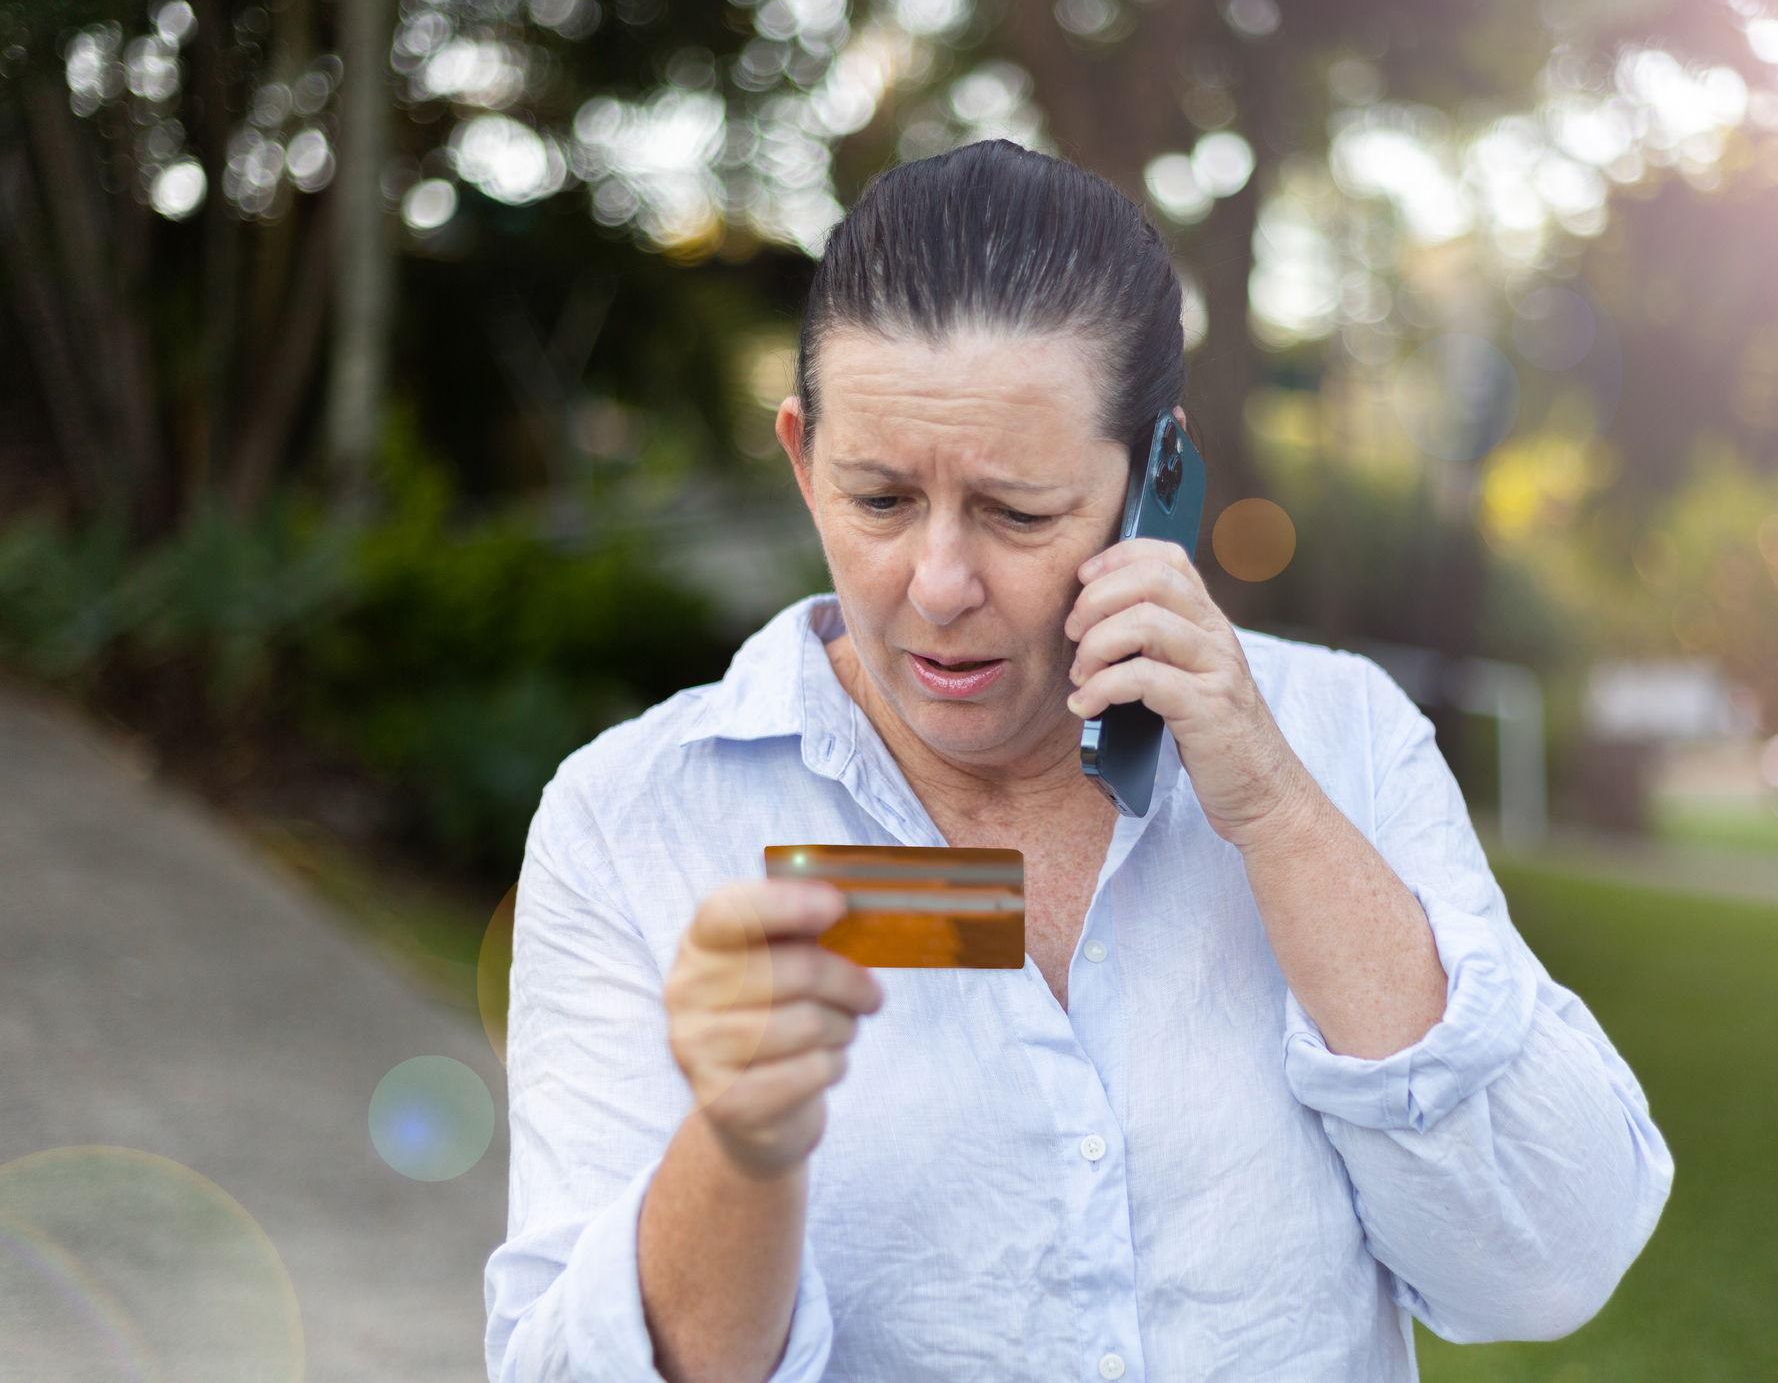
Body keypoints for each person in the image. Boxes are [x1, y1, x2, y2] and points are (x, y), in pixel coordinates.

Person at [484, 140, 1672, 1383]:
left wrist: (1269, 801)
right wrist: (737, 1143)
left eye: (1019, 512)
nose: (938, 586)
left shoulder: (1345, 736)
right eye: (880, 500)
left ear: (1161, 479)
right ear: (800, 459)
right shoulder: (634, 820)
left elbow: (1552, 1263)